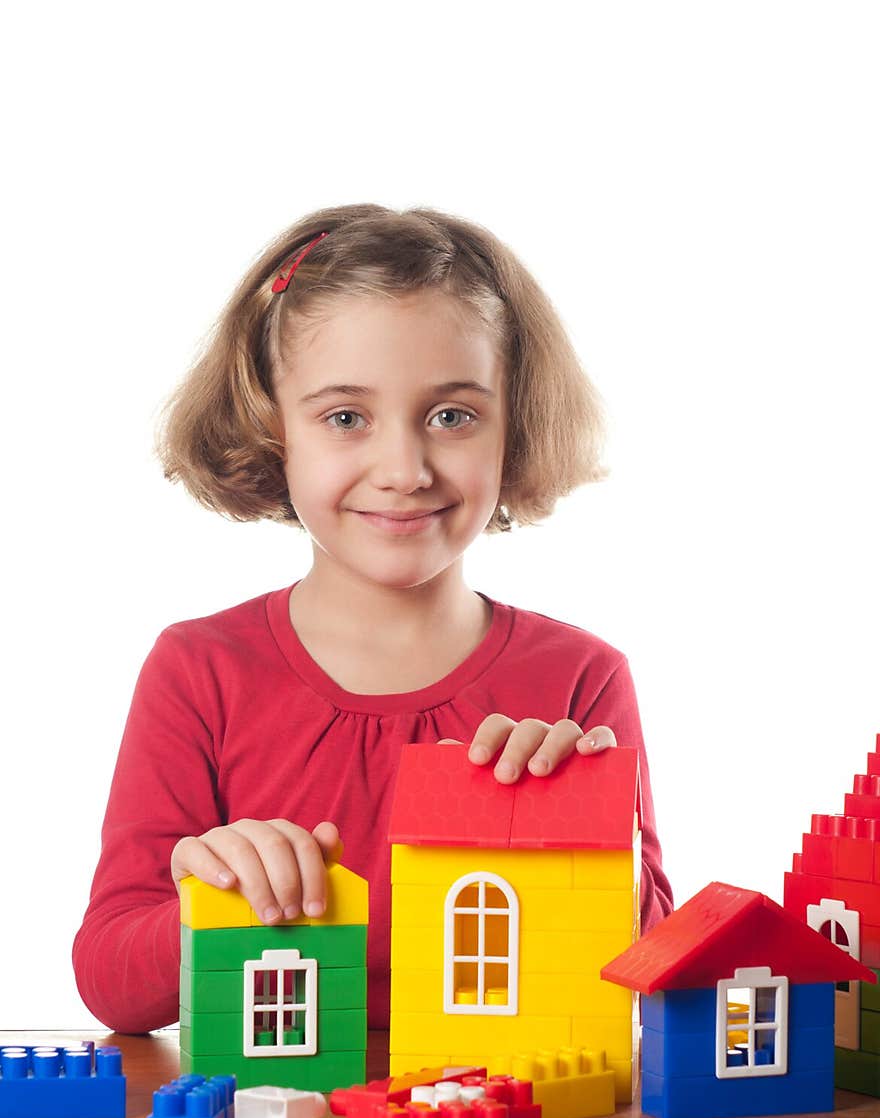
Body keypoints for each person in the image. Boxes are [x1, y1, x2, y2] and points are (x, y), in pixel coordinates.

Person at [72, 203, 673, 1035]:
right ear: (273, 427)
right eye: (345, 417)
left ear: (515, 424)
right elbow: (111, 982)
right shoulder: (197, 669)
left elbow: (649, 964)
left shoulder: (582, 677)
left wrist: (588, 829)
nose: (404, 469)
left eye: (452, 415)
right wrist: (210, 905)